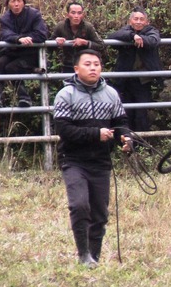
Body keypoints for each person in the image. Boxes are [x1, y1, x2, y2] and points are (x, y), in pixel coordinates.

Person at [53, 47, 132, 267]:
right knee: (79, 206)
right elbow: (64, 130)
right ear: (76, 69)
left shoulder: (111, 94)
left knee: (100, 213)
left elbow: (120, 124)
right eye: (87, 64)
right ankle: (83, 254)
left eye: (96, 64)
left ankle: (93, 256)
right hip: (74, 160)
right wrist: (95, 134)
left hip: (101, 162)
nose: (93, 68)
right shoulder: (65, 95)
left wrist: (125, 140)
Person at [0, 0, 49, 109]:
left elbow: (42, 33)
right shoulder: (5, 18)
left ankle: (24, 98)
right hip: (13, 52)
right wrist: (18, 39)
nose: (16, 4)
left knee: (12, 67)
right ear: (8, 4)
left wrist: (27, 38)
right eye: (13, 1)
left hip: (30, 54)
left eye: (18, 0)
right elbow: (5, 34)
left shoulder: (34, 14)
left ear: (23, 2)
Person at [108, 8, 161, 133]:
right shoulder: (126, 31)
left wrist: (140, 39)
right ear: (130, 21)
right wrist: (133, 36)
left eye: (141, 19)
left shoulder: (151, 31)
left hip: (143, 80)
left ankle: (142, 144)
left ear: (147, 22)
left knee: (141, 112)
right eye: (135, 19)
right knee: (126, 112)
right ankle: (126, 141)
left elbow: (153, 40)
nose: (138, 22)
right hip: (125, 80)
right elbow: (112, 37)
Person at [50, 0, 106, 73]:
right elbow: (49, 46)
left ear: (82, 15)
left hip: (86, 65)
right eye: (73, 13)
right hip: (68, 64)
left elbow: (101, 45)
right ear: (67, 14)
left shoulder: (88, 27)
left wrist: (85, 42)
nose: (76, 16)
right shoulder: (61, 26)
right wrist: (56, 40)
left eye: (79, 13)